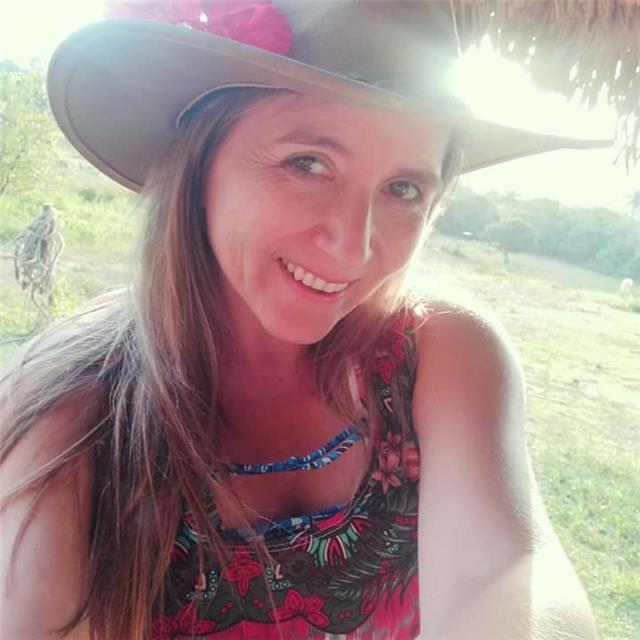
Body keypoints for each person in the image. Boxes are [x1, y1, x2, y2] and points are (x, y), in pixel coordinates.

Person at [0, 2, 605, 639]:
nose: (354, 247)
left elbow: (507, 572)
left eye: (403, 189)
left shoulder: (437, 351)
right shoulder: (71, 410)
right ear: (200, 161)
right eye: (308, 163)